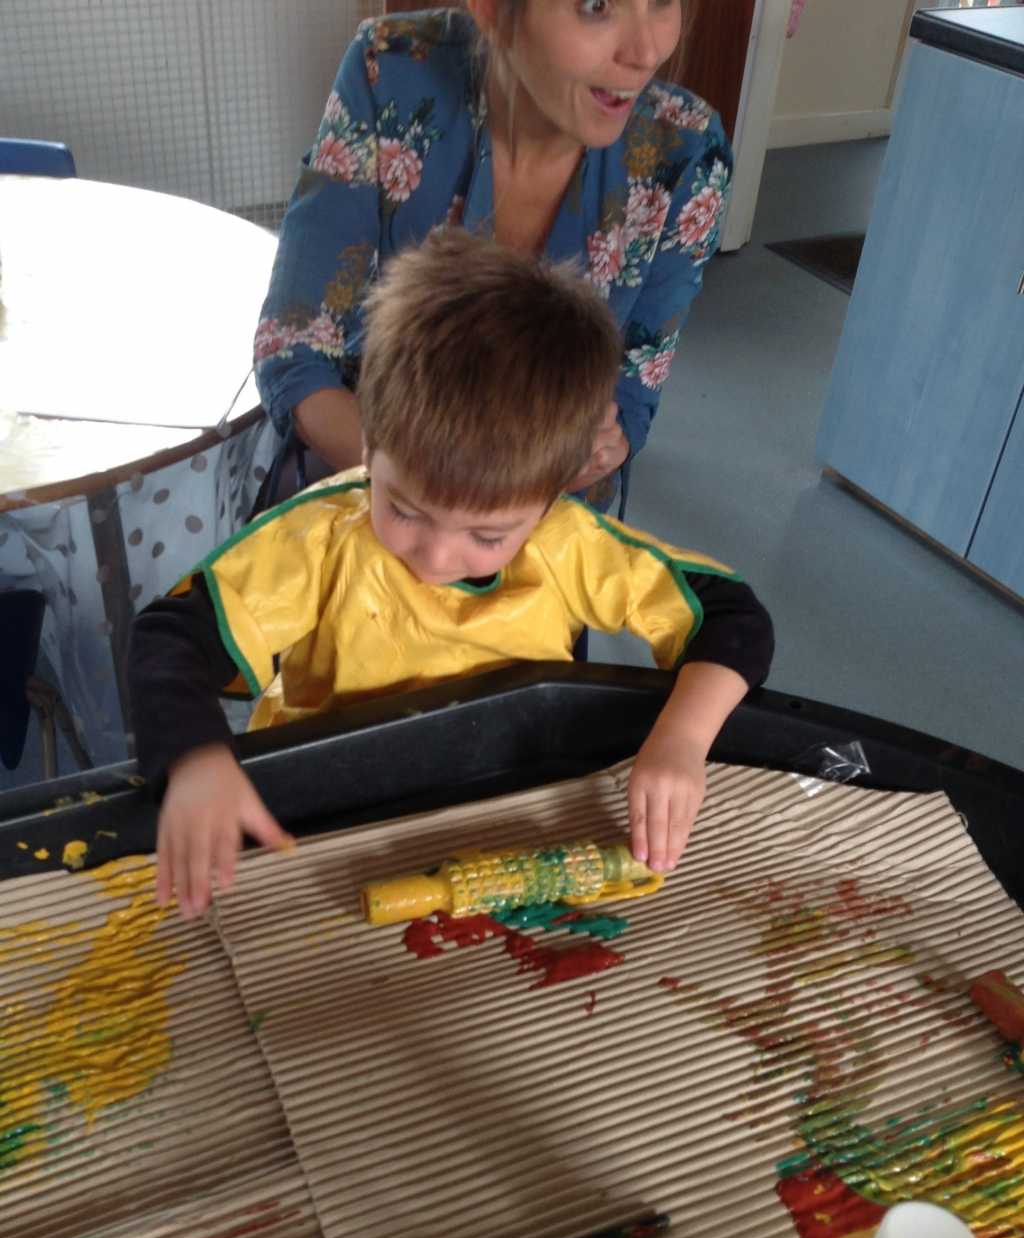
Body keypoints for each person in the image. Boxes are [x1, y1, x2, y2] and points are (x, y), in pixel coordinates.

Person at [131, 232, 772, 917]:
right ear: (371, 445)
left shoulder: (566, 543)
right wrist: (196, 758)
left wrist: (681, 741)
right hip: (326, 812)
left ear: (552, 495)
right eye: (404, 509)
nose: (434, 558)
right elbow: (171, 639)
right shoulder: (320, 540)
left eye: (487, 536)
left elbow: (730, 618)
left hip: (504, 801)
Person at [255, 0, 733, 514]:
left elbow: (632, 392)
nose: (646, 52)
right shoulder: (391, 68)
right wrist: (422, 495)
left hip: (539, 511)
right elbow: (295, 351)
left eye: (662, 2)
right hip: (363, 475)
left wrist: (602, 444)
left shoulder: (686, 151)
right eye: (597, 6)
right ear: (490, 9)